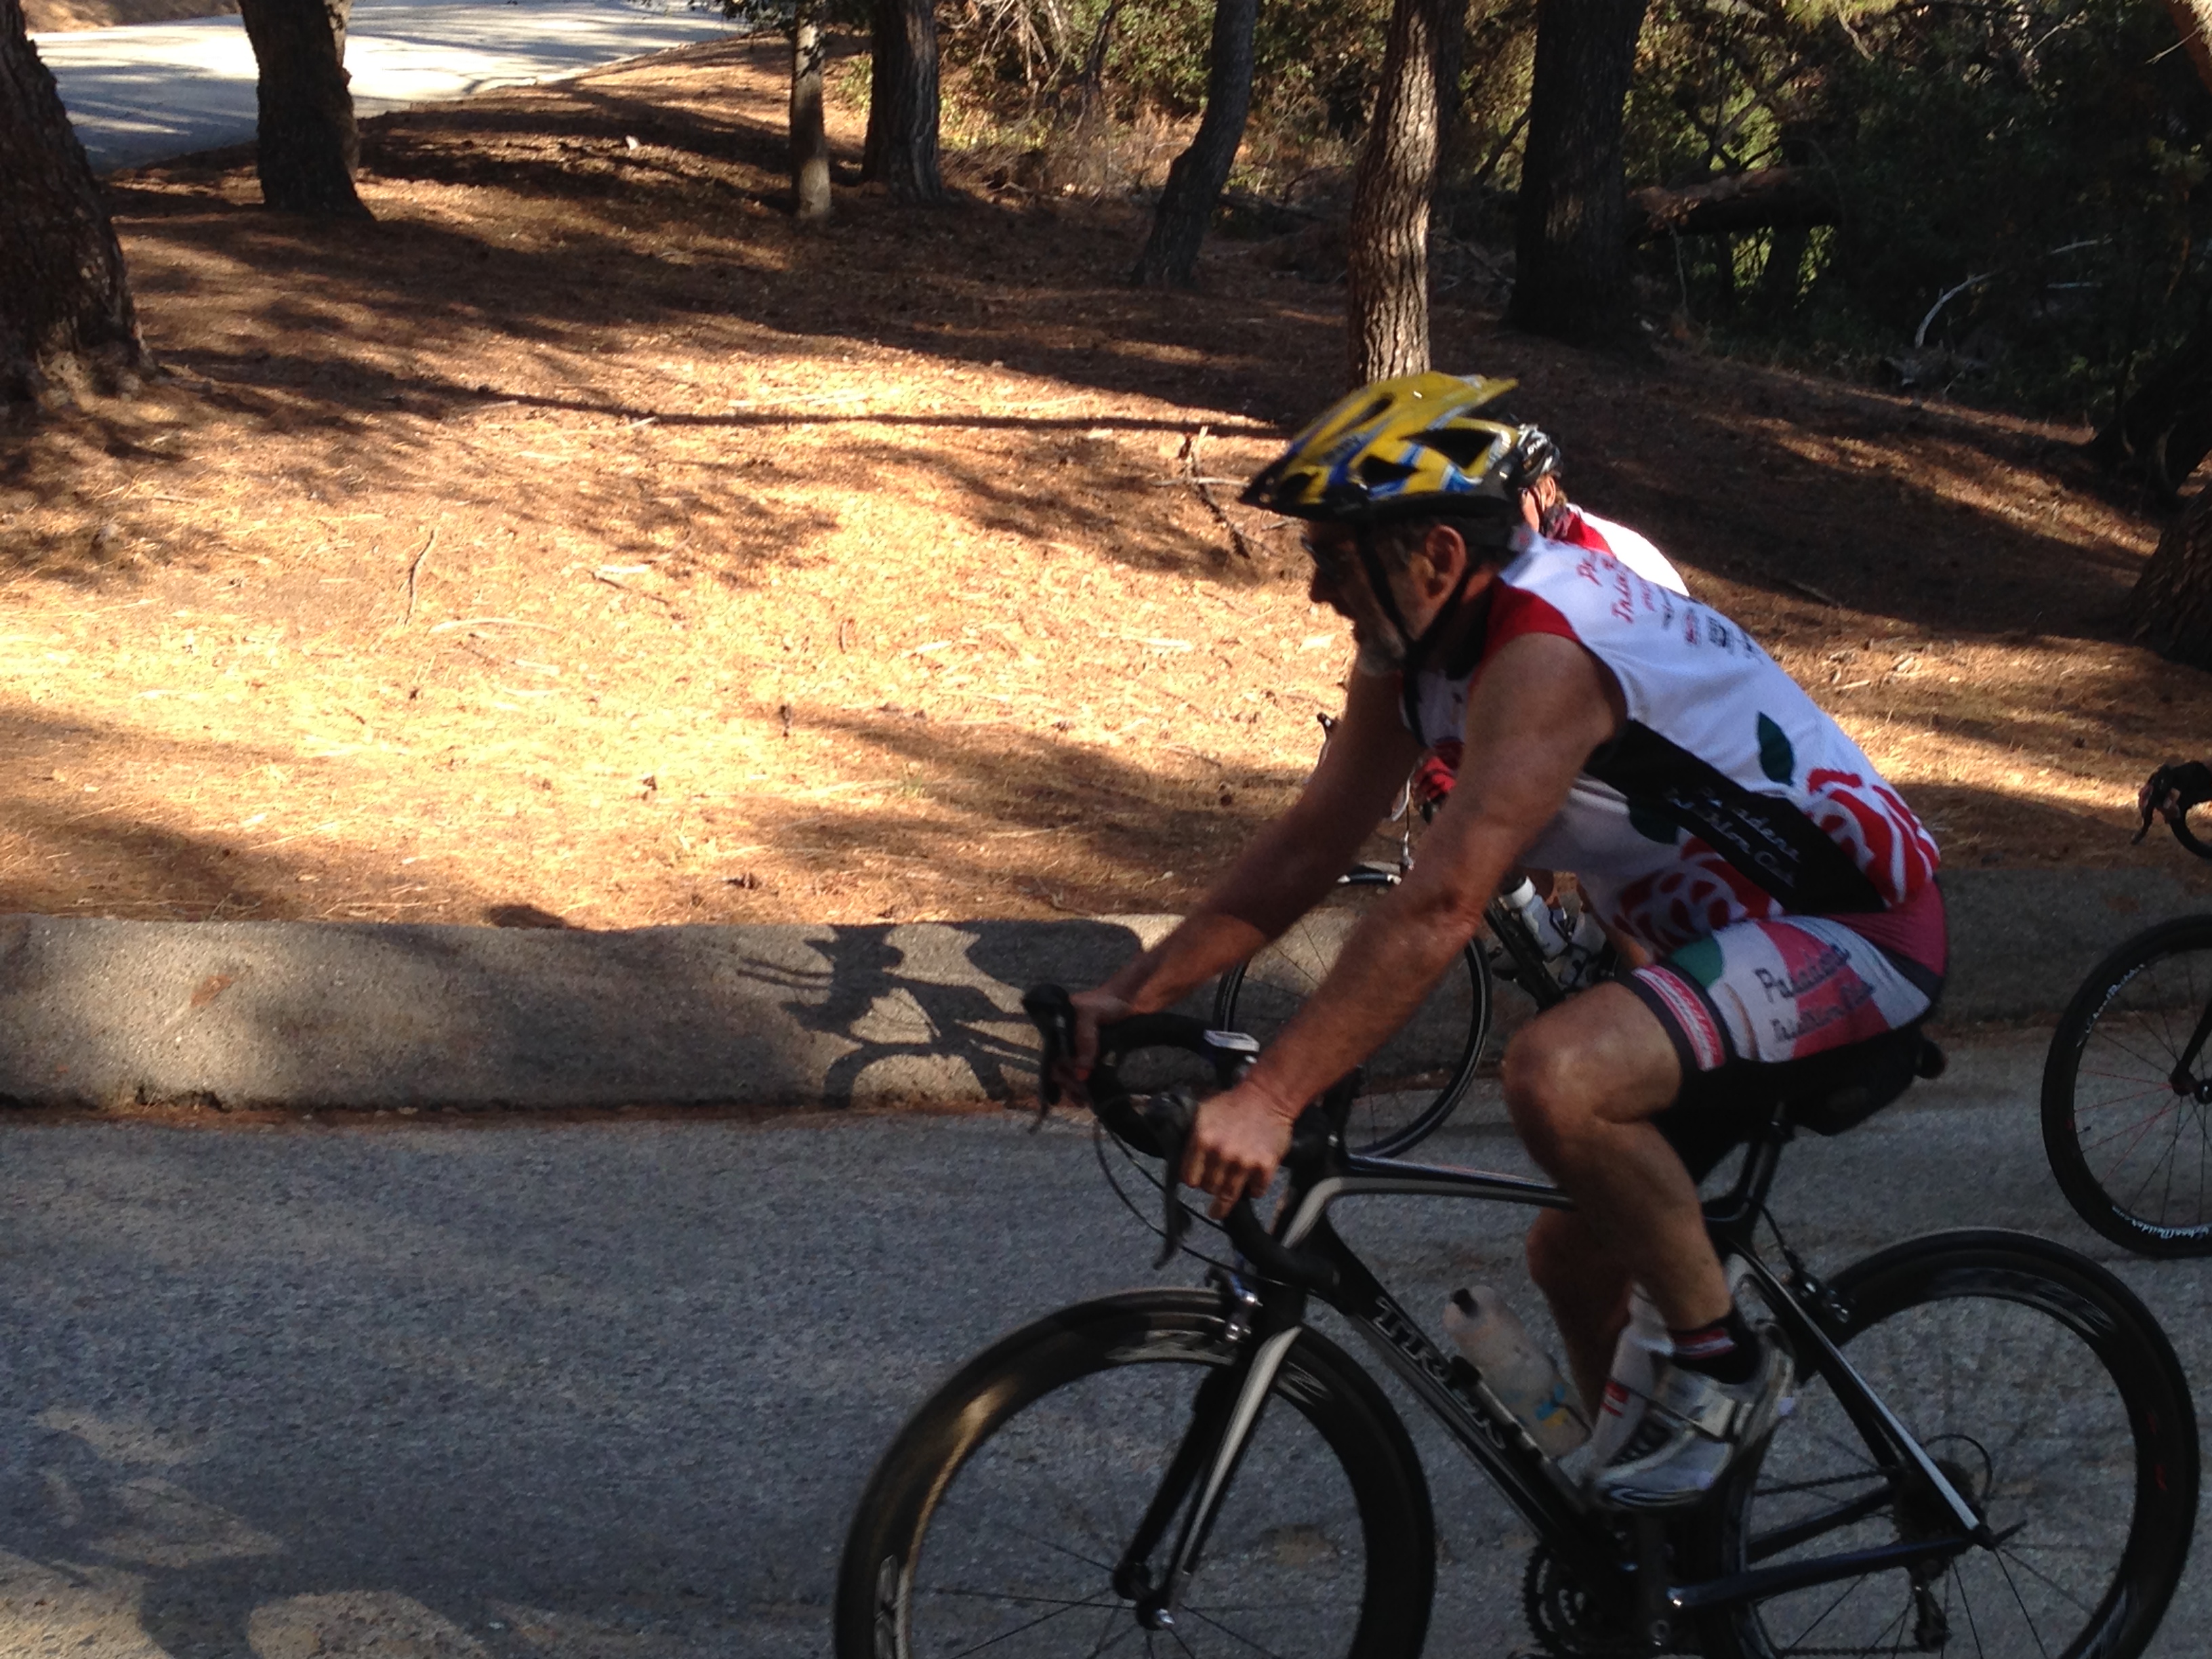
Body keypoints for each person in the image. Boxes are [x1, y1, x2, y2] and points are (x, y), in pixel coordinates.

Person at [1062, 371, 1945, 1508]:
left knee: (1556, 1073)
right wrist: (1128, 994)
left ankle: (1727, 1370)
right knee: (1570, 1258)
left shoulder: (1550, 648)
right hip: (1714, 953)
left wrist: (1274, 1096)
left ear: (1436, 554)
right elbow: (1310, 846)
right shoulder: (1420, 651)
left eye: (1335, 556)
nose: (1316, 586)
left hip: (1853, 930)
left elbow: (1442, 904)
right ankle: (1651, 1543)